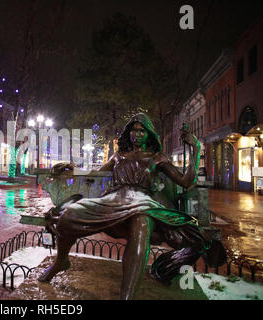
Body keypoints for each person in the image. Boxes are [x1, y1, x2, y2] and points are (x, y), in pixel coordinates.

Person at [38, 113, 226, 300]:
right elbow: (95, 173)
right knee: (69, 215)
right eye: (134, 130)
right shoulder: (119, 155)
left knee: (141, 224)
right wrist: (73, 168)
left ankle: (127, 297)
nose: (137, 134)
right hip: (113, 200)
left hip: (143, 203)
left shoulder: (157, 157)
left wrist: (196, 148)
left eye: (142, 131)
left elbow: (186, 181)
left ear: (148, 134)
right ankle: (61, 262)